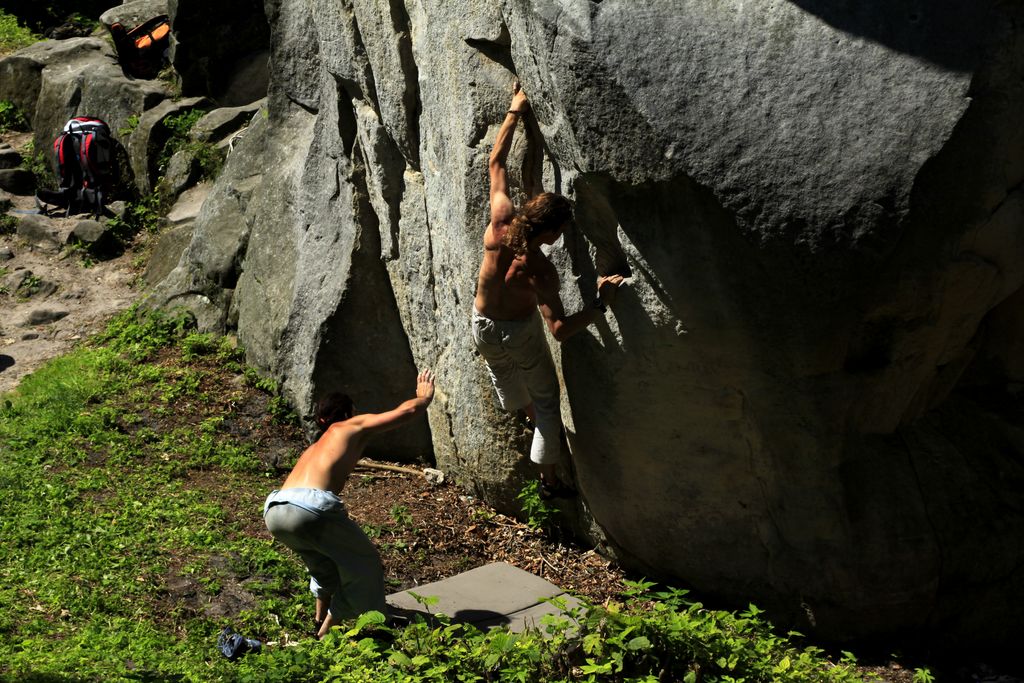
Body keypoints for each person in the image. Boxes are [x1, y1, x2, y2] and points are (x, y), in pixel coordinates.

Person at [472, 82, 624, 497]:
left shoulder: (500, 221)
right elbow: (557, 329)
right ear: (553, 230)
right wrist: (599, 306)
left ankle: (527, 419)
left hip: (481, 325)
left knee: (507, 381)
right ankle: (550, 482)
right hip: (518, 332)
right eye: (562, 228)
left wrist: (515, 110)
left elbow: (495, 161)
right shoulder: (541, 272)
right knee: (545, 404)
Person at [263, 370, 435, 638]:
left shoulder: (315, 447)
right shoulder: (349, 426)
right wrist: (423, 399)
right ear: (348, 412)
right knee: (364, 566)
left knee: (324, 566)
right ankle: (327, 634)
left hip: (276, 510)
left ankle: (317, 621)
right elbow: (404, 414)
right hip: (308, 509)